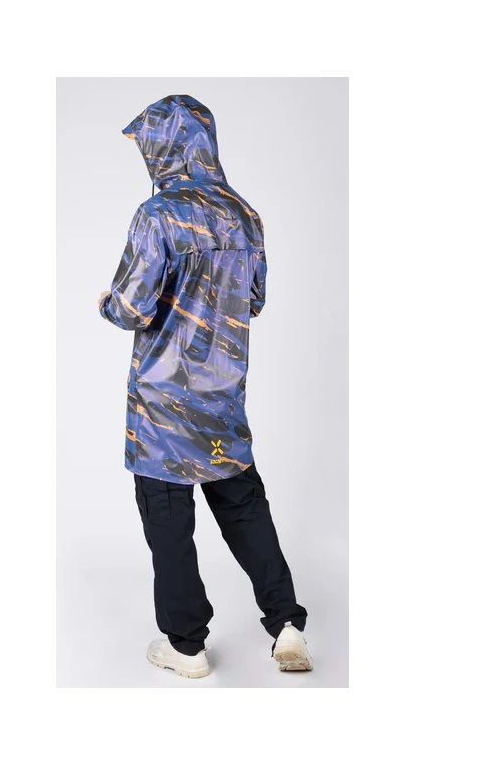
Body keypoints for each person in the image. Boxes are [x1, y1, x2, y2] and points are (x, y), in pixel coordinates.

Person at [97, 95, 312, 679]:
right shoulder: (245, 214)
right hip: (222, 395)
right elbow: (254, 300)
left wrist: (107, 302)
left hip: (162, 407)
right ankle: (287, 624)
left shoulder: (158, 214)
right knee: (243, 505)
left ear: (166, 146)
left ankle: (187, 647)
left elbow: (131, 308)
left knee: (168, 519)